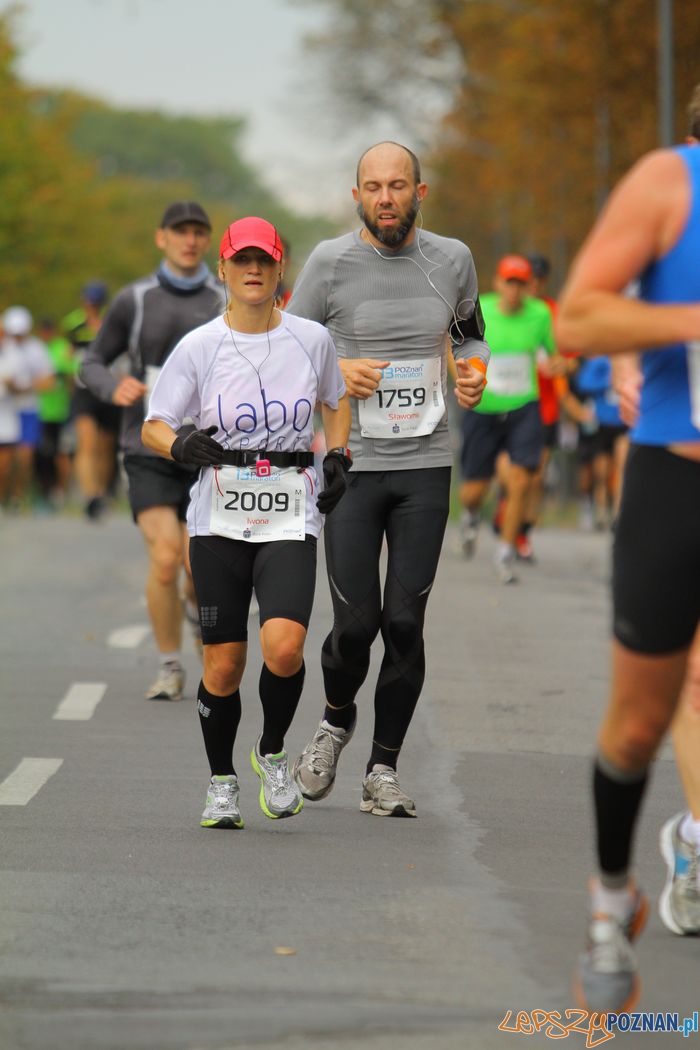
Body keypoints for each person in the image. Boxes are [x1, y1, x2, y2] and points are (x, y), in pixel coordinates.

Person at [288, 141, 488, 817]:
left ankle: (383, 768)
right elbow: (287, 346)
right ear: (356, 196)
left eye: (397, 185)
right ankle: (335, 718)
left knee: (405, 622)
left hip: (426, 467)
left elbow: (471, 334)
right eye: (373, 186)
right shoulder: (330, 262)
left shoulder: (452, 259)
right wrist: (336, 374)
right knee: (356, 626)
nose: (385, 197)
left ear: (419, 192)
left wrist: (474, 372)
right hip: (353, 466)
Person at [142, 216, 351, 828]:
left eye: (265, 260)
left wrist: (337, 455)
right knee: (224, 665)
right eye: (242, 261)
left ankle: (272, 753)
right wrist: (179, 446)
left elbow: (336, 401)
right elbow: (153, 424)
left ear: (280, 268)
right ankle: (222, 781)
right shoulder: (200, 346)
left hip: (291, 509)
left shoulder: (311, 339)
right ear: (224, 270)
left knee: (284, 648)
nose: (253, 270)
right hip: (218, 517)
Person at [557, 118, 700, 1009]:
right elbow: (578, 317)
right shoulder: (669, 183)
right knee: (642, 720)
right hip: (677, 484)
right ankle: (613, 898)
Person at [81, 201, 223, 701]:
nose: (189, 240)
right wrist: (111, 387)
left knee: (196, 564)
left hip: (207, 449)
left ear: (207, 241)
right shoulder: (134, 299)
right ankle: (170, 666)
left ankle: (195, 613)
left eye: (198, 232)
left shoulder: (224, 297)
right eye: (180, 231)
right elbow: (92, 361)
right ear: (161, 238)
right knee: (166, 558)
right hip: (147, 446)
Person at [458, 254, 556, 583]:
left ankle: (505, 552)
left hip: (524, 407)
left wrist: (561, 366)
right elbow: (452, 346)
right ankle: (471, 514)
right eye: (509, 282)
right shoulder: (478, 308)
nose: (514, 290)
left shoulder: (541, 314)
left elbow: (559, 355)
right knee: (473, 490)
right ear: (498, 283)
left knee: (520, 480)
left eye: (521, 284)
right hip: (483, 408)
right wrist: (460, 375)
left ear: (529, 287)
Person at [62, 280, 118, 520]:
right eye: (89, 301)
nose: (91, 306)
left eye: (95, 302)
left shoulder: (112, 321)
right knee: (87, 443)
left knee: (106, 447)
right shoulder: (74, 324)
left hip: (109, 390)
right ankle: (90, 495)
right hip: (84, 391)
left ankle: (102, 492)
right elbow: (66, 355)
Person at [0, 306, 55, 509]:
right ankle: (4, 495)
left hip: (28, 409)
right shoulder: (4, 347)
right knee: (5, 462)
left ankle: (17, 496)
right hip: (6, 410)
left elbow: (49, 380)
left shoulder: (36, 348)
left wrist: (27, 386)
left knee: (24, 457)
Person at [34, 317, 78, 509]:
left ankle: (61, 491)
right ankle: (44, 491)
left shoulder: (62, 348)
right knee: (42, 456)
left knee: (63, 453)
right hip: (40, 412)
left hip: (62, 411)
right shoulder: (36, 349)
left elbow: (71, 374)